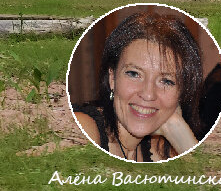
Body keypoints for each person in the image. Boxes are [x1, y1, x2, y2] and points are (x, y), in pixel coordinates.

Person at [73, 10, 203, 161]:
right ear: (112, 79)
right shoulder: (82, 132)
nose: (148, 94)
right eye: (134, 74)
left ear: (181, 93)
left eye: (166, 81)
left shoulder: (162, 150)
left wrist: (181, 135)